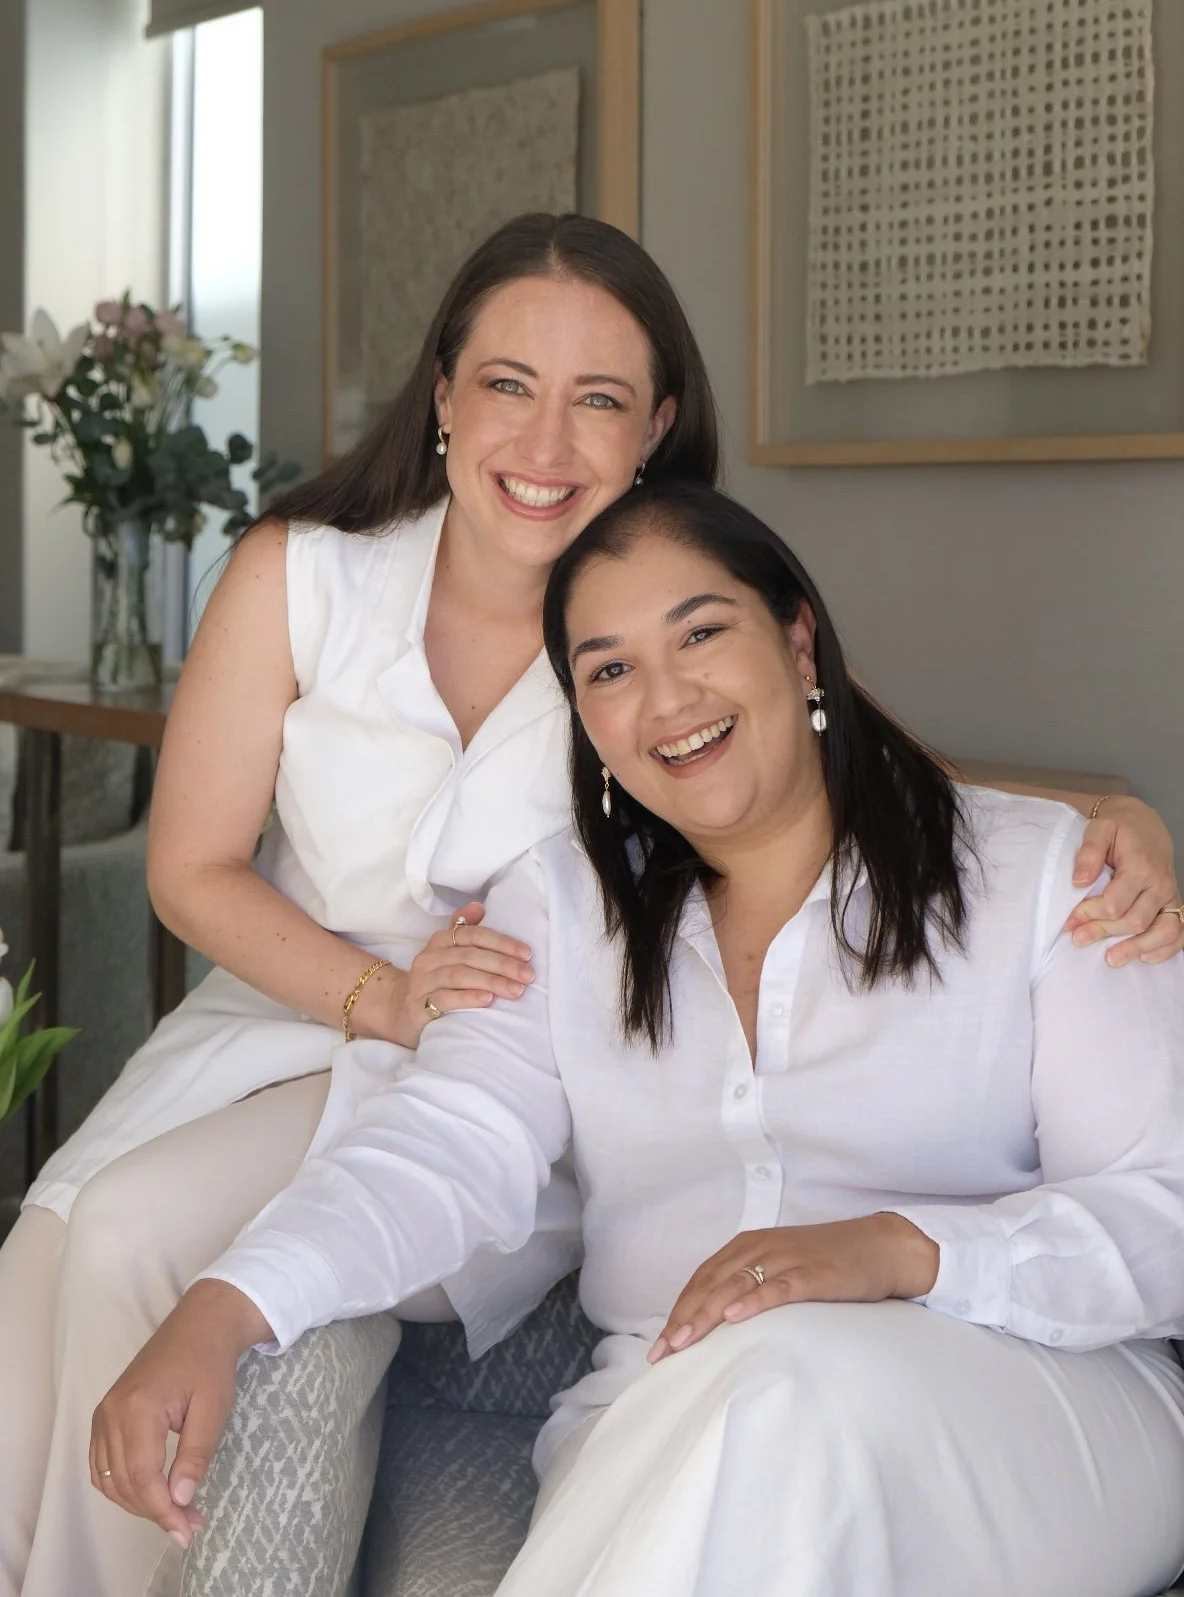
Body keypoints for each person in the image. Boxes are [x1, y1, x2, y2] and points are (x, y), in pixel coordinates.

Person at [96, 484, 1184, 1597]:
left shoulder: (1051, 877)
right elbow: (445, 1140)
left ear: (798, 640)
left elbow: (1164, 1215)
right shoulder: (559, 909)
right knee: (760, 1405)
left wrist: (900, 1251)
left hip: (1040, 1407)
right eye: (609, 669)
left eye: (701, 633)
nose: (666, 698)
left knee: (785, 1379)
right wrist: (228, 1303)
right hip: (673, 1426)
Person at [0, 211, 720, 1597]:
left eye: (598, 401)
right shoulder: (305, 568)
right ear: (442, 392)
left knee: (134, 1230)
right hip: (278, 1015)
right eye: (507, 384)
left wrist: (1102, 829)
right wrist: (376, 995)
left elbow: (853, 766)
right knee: (42, 1259)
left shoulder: (684, 615)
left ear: (655, 429)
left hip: (505, 1087)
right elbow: (191, 867)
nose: (546, 442)